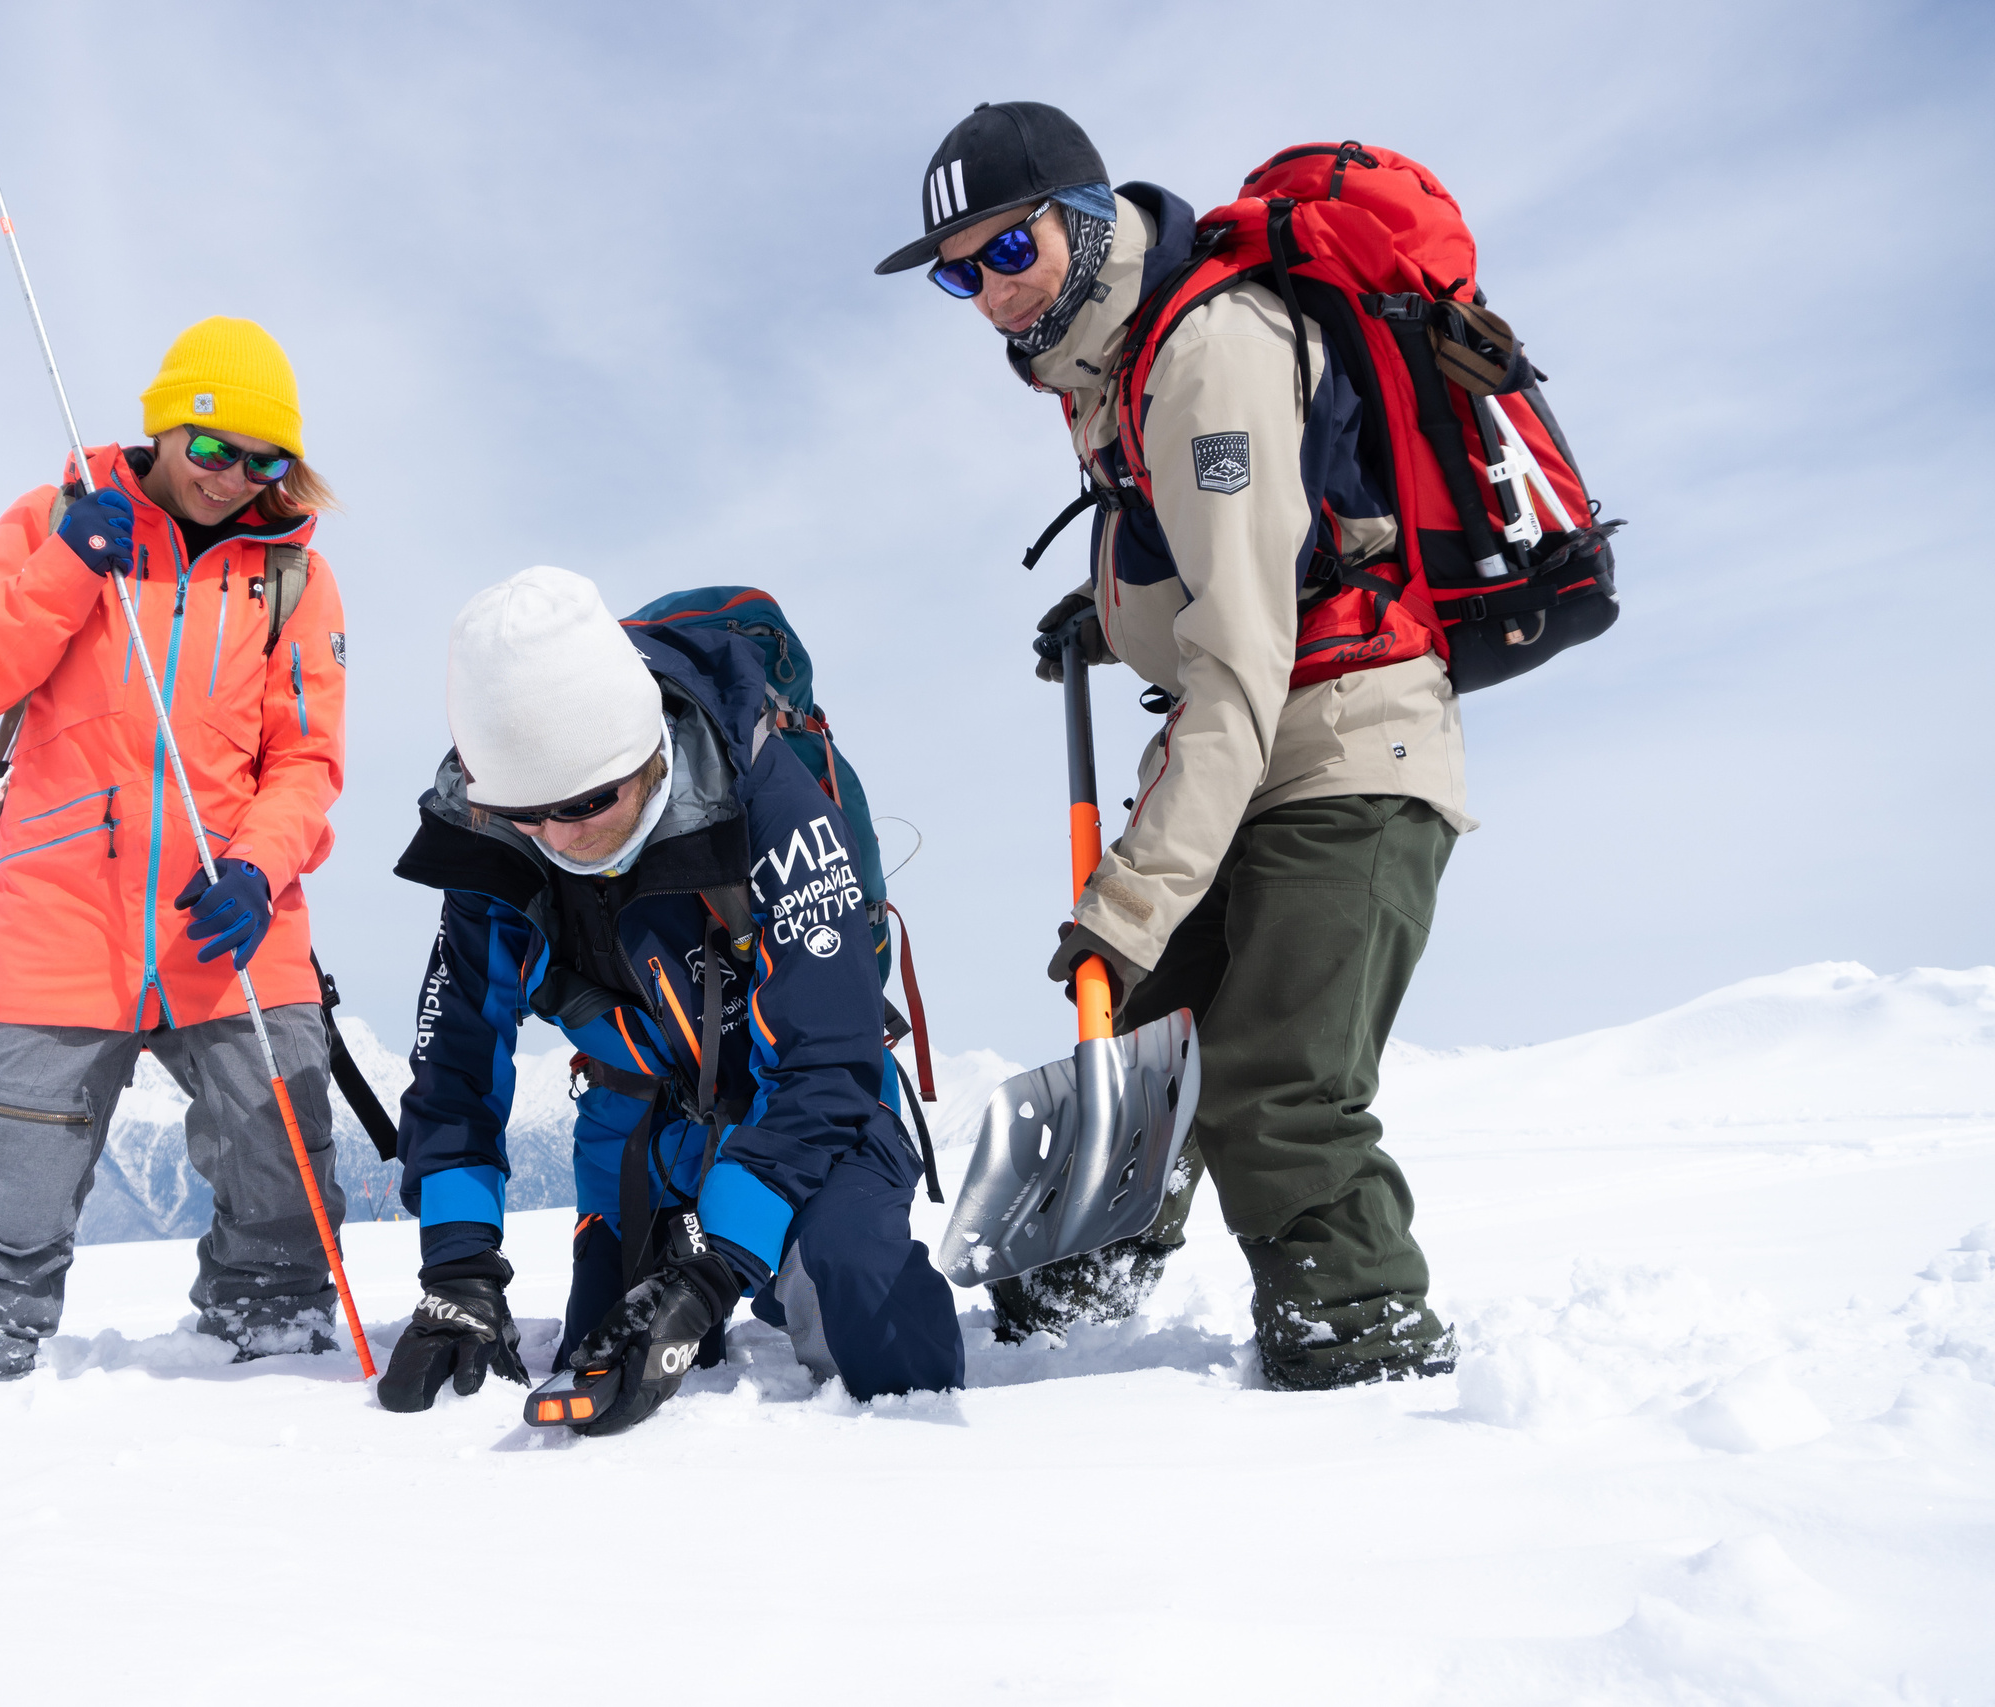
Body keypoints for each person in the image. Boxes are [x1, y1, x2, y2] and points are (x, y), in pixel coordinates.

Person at [875, 103, 1468, 1388]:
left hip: (1346, 744)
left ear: (1087, 223)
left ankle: (1363, 1364)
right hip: (1244, 747)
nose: (983, 293)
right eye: (953, 271)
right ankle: (1072, 1323)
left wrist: (1127, 903)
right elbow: (1204, 556)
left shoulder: (1208, 353)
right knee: (1150, 1047)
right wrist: (1108, 612)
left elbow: (1244, 653)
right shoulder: (1102, 357)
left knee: (1274, 1082)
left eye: (1006, 251)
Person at [375, 566, 963, 1431]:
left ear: (645, 749)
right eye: (526, 813)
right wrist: (459, 1265)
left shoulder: (774, 807)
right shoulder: (493, 840)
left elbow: (829, 1058)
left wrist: (716, 1265)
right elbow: (457, 1057)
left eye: (584, 802)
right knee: (602, 1352)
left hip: (808, 1110)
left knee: (874, 1327)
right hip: (642, 1124)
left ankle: (794, 1280)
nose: (560, 837)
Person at [0, 316, 350, 1380]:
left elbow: (307, 763)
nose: (237, 477)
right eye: (213, 448)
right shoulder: (55, 518)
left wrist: (256, 868)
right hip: (56, 916)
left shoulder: (294, 578)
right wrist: (63, 569)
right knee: (15, 1191)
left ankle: (275, 1333)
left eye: (265, 459)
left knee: (285, 1171)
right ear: (163, 430)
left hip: (235, 918)